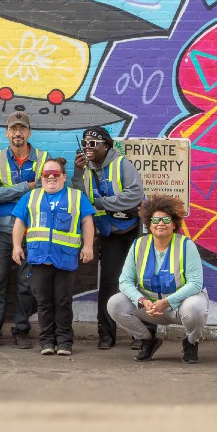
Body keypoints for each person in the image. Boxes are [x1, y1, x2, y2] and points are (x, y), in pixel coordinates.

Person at [107, 194, 208, 363]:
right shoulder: (138, 245)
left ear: (174, 223)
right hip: (150, 307)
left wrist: (166, 302)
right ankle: (147, 340)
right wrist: (141, 300)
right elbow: (124, 281)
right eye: (155, 220)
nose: (160, 224)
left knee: (195, 307)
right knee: (115, 303)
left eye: (166, 220)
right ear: (149, 224)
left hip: (178, 306)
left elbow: (195, 283)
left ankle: (191, 342)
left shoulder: (186, 245)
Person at [12, 157, 95, 356]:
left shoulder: (76, 197)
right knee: (44, 302)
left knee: (63, 301)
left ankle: (65, 342)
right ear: (41, 178)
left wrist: (88, 246)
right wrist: (16, 246)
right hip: (39, 258)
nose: (51, 177)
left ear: (64, 177)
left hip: (65, 259)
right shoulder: (31, 197)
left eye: (55, 174)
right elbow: (19, 223)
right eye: (46, 174)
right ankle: (47, 341)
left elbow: (87, 222)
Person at [71, 125, 144, 349]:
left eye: (92, 144)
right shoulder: (85, 168)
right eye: (84, 144)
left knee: (136, 282)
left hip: (130, 229)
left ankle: (140, 335)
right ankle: (106, 333)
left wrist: (102, 203)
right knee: (109, 282)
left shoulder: (122, 164)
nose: (87, 148)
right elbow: (78, 197)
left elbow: (135, 194)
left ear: (106, 145)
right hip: (108, 231)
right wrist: (76, 173)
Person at [0, 111, 48, 350]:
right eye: (13, 129)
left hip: (33, 232)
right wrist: (27, 186)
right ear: (7, 133)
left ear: (29, 133)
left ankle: (21, 331)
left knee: (25, 285)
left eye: (22, 129)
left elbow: (45, 192)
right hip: (3, 231)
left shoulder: (43, 158)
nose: (18, 133)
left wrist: (15, 189)